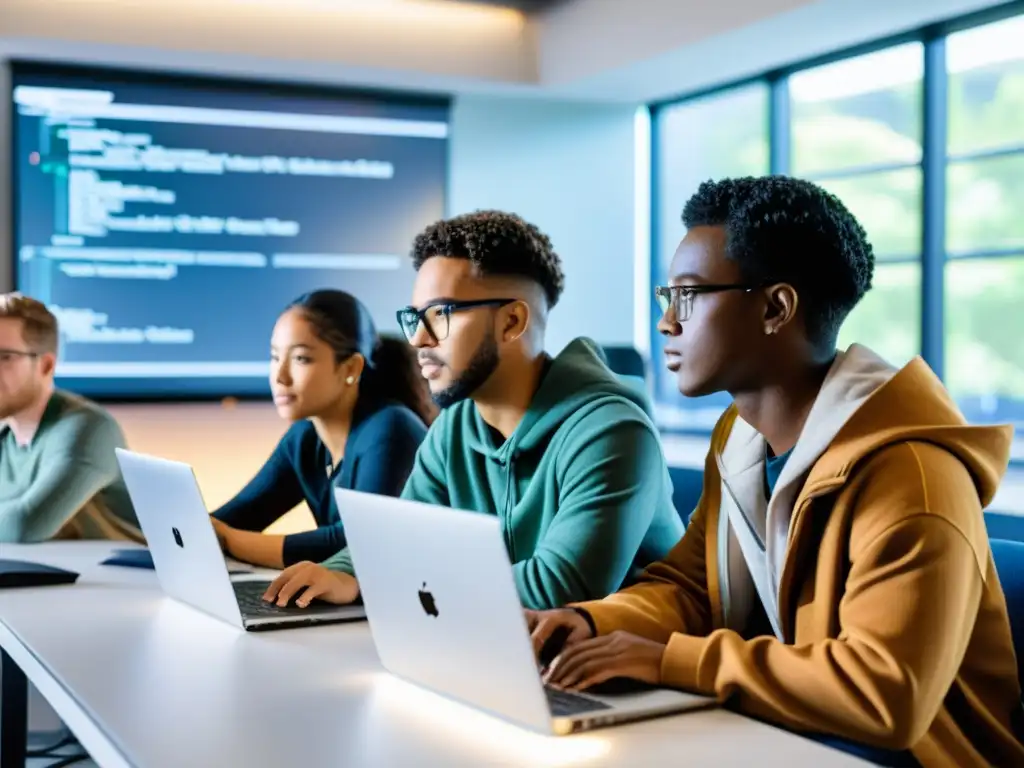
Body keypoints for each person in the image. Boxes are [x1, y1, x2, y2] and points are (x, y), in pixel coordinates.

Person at [529, 177, 1024, 768]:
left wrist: (668, 662)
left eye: (687, 296)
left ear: (774, 308)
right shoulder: (740, 441)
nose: (666, 322)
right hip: (799, 739)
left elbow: (886, 693)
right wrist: (586, 622)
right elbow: (690, 590)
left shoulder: (913, 474)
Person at [264, 210, 684, 609]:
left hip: (630, 673)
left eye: (440, 315)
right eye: (415, 318)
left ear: (511, 322)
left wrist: (392, 580)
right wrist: (344, 572)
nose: (418, 340)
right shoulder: (455, 427)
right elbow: (400, 538)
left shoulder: (612, 432)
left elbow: (557, 587)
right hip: (509, 654)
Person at [209, 290, 434, 568]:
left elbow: (358, 543)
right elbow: (236, 518)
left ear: (351, 367)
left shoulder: (391, 429)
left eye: (301, 359)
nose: (280, 376)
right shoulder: (305, 437)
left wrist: (231, 541)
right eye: (275, 357)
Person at [0, 293, 143, 543]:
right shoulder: (8, 433)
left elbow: (25, 524)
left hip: (131, 578)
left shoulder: (88, 429)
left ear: (45, 365)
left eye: (5, 357)